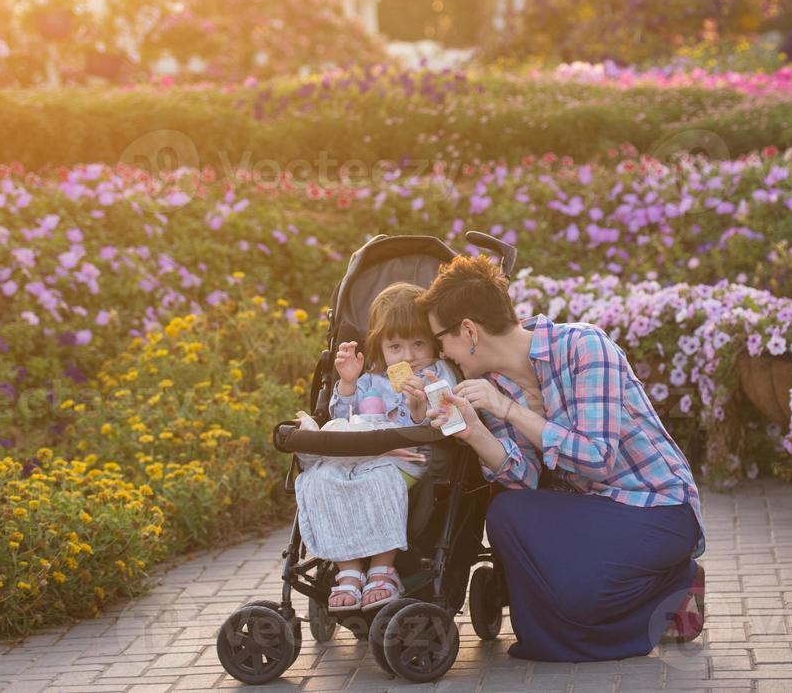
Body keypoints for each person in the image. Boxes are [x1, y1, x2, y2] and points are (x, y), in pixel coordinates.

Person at [412, 254, 706, 661]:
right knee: (507, 512)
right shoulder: (489, 386)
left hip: (656, 507)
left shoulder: (584, 347)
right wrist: (474, 432)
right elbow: (525, 482)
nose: (444, 355)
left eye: (441, 339)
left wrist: (510, 410)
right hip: (592, 513)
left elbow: (597, 458)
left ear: (469, 330)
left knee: (579, 595)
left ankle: (675, 582)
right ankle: (649, 596)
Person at [294, 282, 458, 611]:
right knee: (322, 479)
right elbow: (343, 419)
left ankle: (384, 569)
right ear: (380, 348)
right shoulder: (372, 379)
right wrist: (349, 383)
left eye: (418, 344)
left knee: (379, 479)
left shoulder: (436, 374)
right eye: (395, 347)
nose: (408, 356)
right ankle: (349, 570)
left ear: (434, 343)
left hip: (408, 456)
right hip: (359, 454)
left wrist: (417, 406)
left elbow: (444, 421)